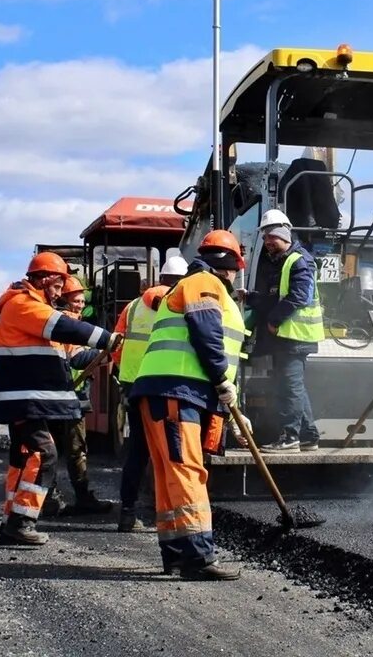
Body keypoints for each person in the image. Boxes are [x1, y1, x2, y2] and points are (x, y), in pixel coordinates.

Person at [130, 230, 249, 580]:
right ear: (227, 266)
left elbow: (221, 349)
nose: (233, 277)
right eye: (233, 270)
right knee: (186, 471)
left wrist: (230, 401)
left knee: (172, 474)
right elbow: (206, 334)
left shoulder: (200, 285)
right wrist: (221, 382)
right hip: (176, 390)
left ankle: (177, 554)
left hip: (174, 390)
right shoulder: (203, 283)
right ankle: (198, 556)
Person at [0, 252, 122, 546]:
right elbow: (63, 327)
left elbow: (66, 352)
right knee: (45, 454)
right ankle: (22, 523)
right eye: (56, 286)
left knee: (23, 457)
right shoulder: (23, 304)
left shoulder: (29, 307)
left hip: (26, 397)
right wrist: (106, 338)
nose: (59, 293)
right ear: (43, 279)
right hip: (24, 397)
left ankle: (12, 522)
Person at [113, 252, 189, 533]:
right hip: (169, 384)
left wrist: (127, 373)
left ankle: (128, 513)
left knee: (138, 450)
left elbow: (116, 345)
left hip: (134, 385)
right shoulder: (180, 304)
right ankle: (171, 517)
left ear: (160, 278)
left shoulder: (132, 307)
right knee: (173, 450)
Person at [248, 209, 324, 453]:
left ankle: (290, 437)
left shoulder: (298, 259)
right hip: (288, 337)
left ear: (285, 234)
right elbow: (275, 297)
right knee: (294, 387)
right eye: (265, 237)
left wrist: (273, 320)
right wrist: (251, 298)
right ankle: (309, 436)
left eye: (272, 237)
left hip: (295, 336)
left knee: (289, 388)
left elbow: (299, 296)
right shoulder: (282, 261)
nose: (268, 242)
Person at [44, 275, 113, 517]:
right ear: (64, 300)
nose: (80, 305)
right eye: (76, 301)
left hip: (68, 397)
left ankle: (53, 498)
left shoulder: (65, 321)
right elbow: (77, 358)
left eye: (83, 301)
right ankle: (68, 497)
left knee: (64, 450)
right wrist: (105, 351)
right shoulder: (66, 323)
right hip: (68, 398)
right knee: (72, 450)